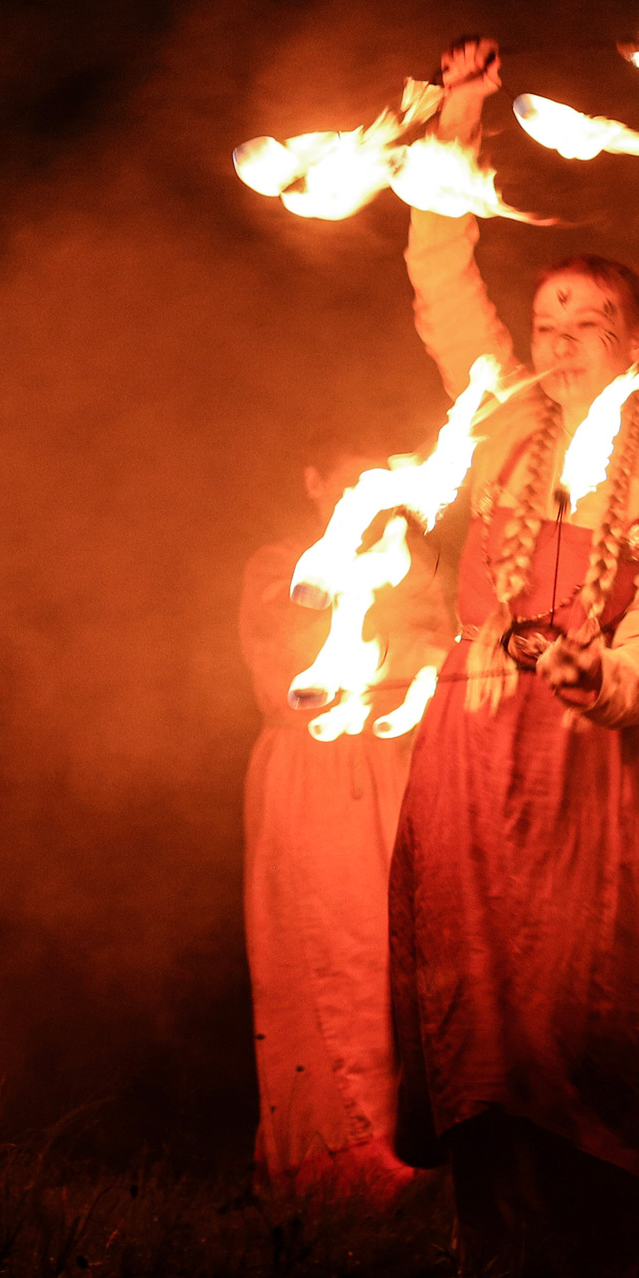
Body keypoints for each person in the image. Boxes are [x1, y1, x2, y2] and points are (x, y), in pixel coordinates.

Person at [386, 36, 639, 1278]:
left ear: (637, 341)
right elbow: (443, 273)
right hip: (466, 765)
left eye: (586, 324)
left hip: (584, 782)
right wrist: (460, 118)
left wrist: (605, 685)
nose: (555, 345)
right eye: (545, 322)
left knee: (598, 1016)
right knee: (477, 1015)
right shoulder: (493, 432)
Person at [238, 443, 449, 1199]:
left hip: (394, 770)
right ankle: (331, 1155)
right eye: (349, 479)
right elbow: (290, 681)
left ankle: (399, 1144)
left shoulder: (416, 569)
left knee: (396, 956)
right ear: (313, 480)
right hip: (312, 774)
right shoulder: (281, 569)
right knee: (328, 950)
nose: (369, 496)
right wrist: (410, 654)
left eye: (378, 478)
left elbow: (445, 658)